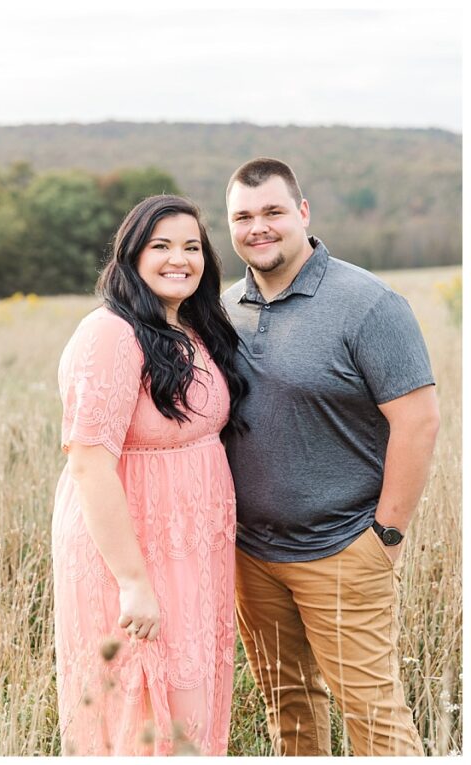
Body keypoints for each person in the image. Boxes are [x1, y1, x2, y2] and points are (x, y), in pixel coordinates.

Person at [222, 157, 439, 756]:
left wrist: (385, 534)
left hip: (343, 549)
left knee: (373, 718)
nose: (258, 227)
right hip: (252, 557)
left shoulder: (368, 303)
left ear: (303, 213)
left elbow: (418, 421)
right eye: (243, 216)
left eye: (273, 211)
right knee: (288, 712)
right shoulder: (221, 310)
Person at [52, 195, 248, 755]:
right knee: (143, 706)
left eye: (191, 247)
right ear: (131, 255)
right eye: (160, 246)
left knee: (190, 700)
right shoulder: (110, 333)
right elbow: (89, 462)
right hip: (135, 549)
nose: (178, 259)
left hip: (192, 547)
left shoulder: (191, 326)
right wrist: (134, 582)